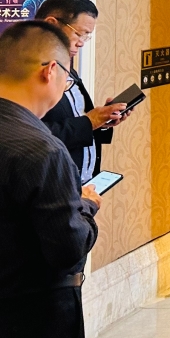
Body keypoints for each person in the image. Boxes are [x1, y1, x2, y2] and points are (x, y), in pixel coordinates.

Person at [0, 21, 101, 338]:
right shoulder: (44, 151)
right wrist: (86, 205)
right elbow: (67, 250)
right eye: (67, 78)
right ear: (50, 71)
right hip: (32, 309)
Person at [35, 0, 129, 182]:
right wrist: (89, 122)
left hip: (82, 186)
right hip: (50, 189)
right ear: (51, 24)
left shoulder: (65, 66)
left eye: (86, 36)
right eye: (78, 34)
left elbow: (76, 118)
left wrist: (102, 121)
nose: (81, 43)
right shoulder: (22, 72)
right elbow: (28, 134)